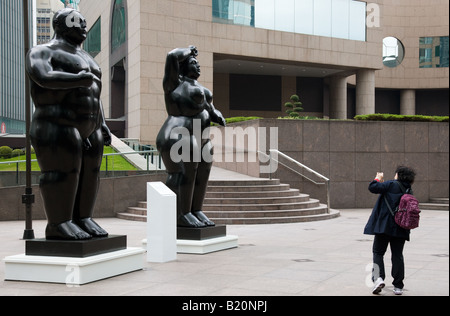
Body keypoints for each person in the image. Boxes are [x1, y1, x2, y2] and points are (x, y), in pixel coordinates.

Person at [26, 8, 111, 240]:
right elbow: (42, 76)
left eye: (84, 22)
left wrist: (102, 124)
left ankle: (83, 217)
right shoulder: (42, 51)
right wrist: (77, 80)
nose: (83, 26)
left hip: (90, 127)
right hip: (56, 121)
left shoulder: (88, 59)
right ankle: (58, 223)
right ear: (60, 24)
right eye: (78, 21)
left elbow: (96, 94)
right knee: (61, 172)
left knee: (90, 173)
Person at [157, 46, 226, 228]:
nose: (198, 66)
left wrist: (216, 114)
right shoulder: (174, 84)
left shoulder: (201, 89)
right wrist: (190, 50)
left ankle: (196, 210)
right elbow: (171, 55)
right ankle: (182, 213)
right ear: (183, 66)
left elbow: (208, 108)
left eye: (198, 63)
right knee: (184, 174)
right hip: (178, 135)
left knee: (201, 175)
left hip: (202, 138)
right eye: (194, 63)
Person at [364, 165, 416, 295]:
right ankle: (398, 286)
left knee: (377, 253)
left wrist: (377, 178)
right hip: (401, 227)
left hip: (384, 227)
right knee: (397, 255)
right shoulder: (409, 190)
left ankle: (378, 279)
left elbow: (372, 187)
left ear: (398, 174)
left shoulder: (391, 184)